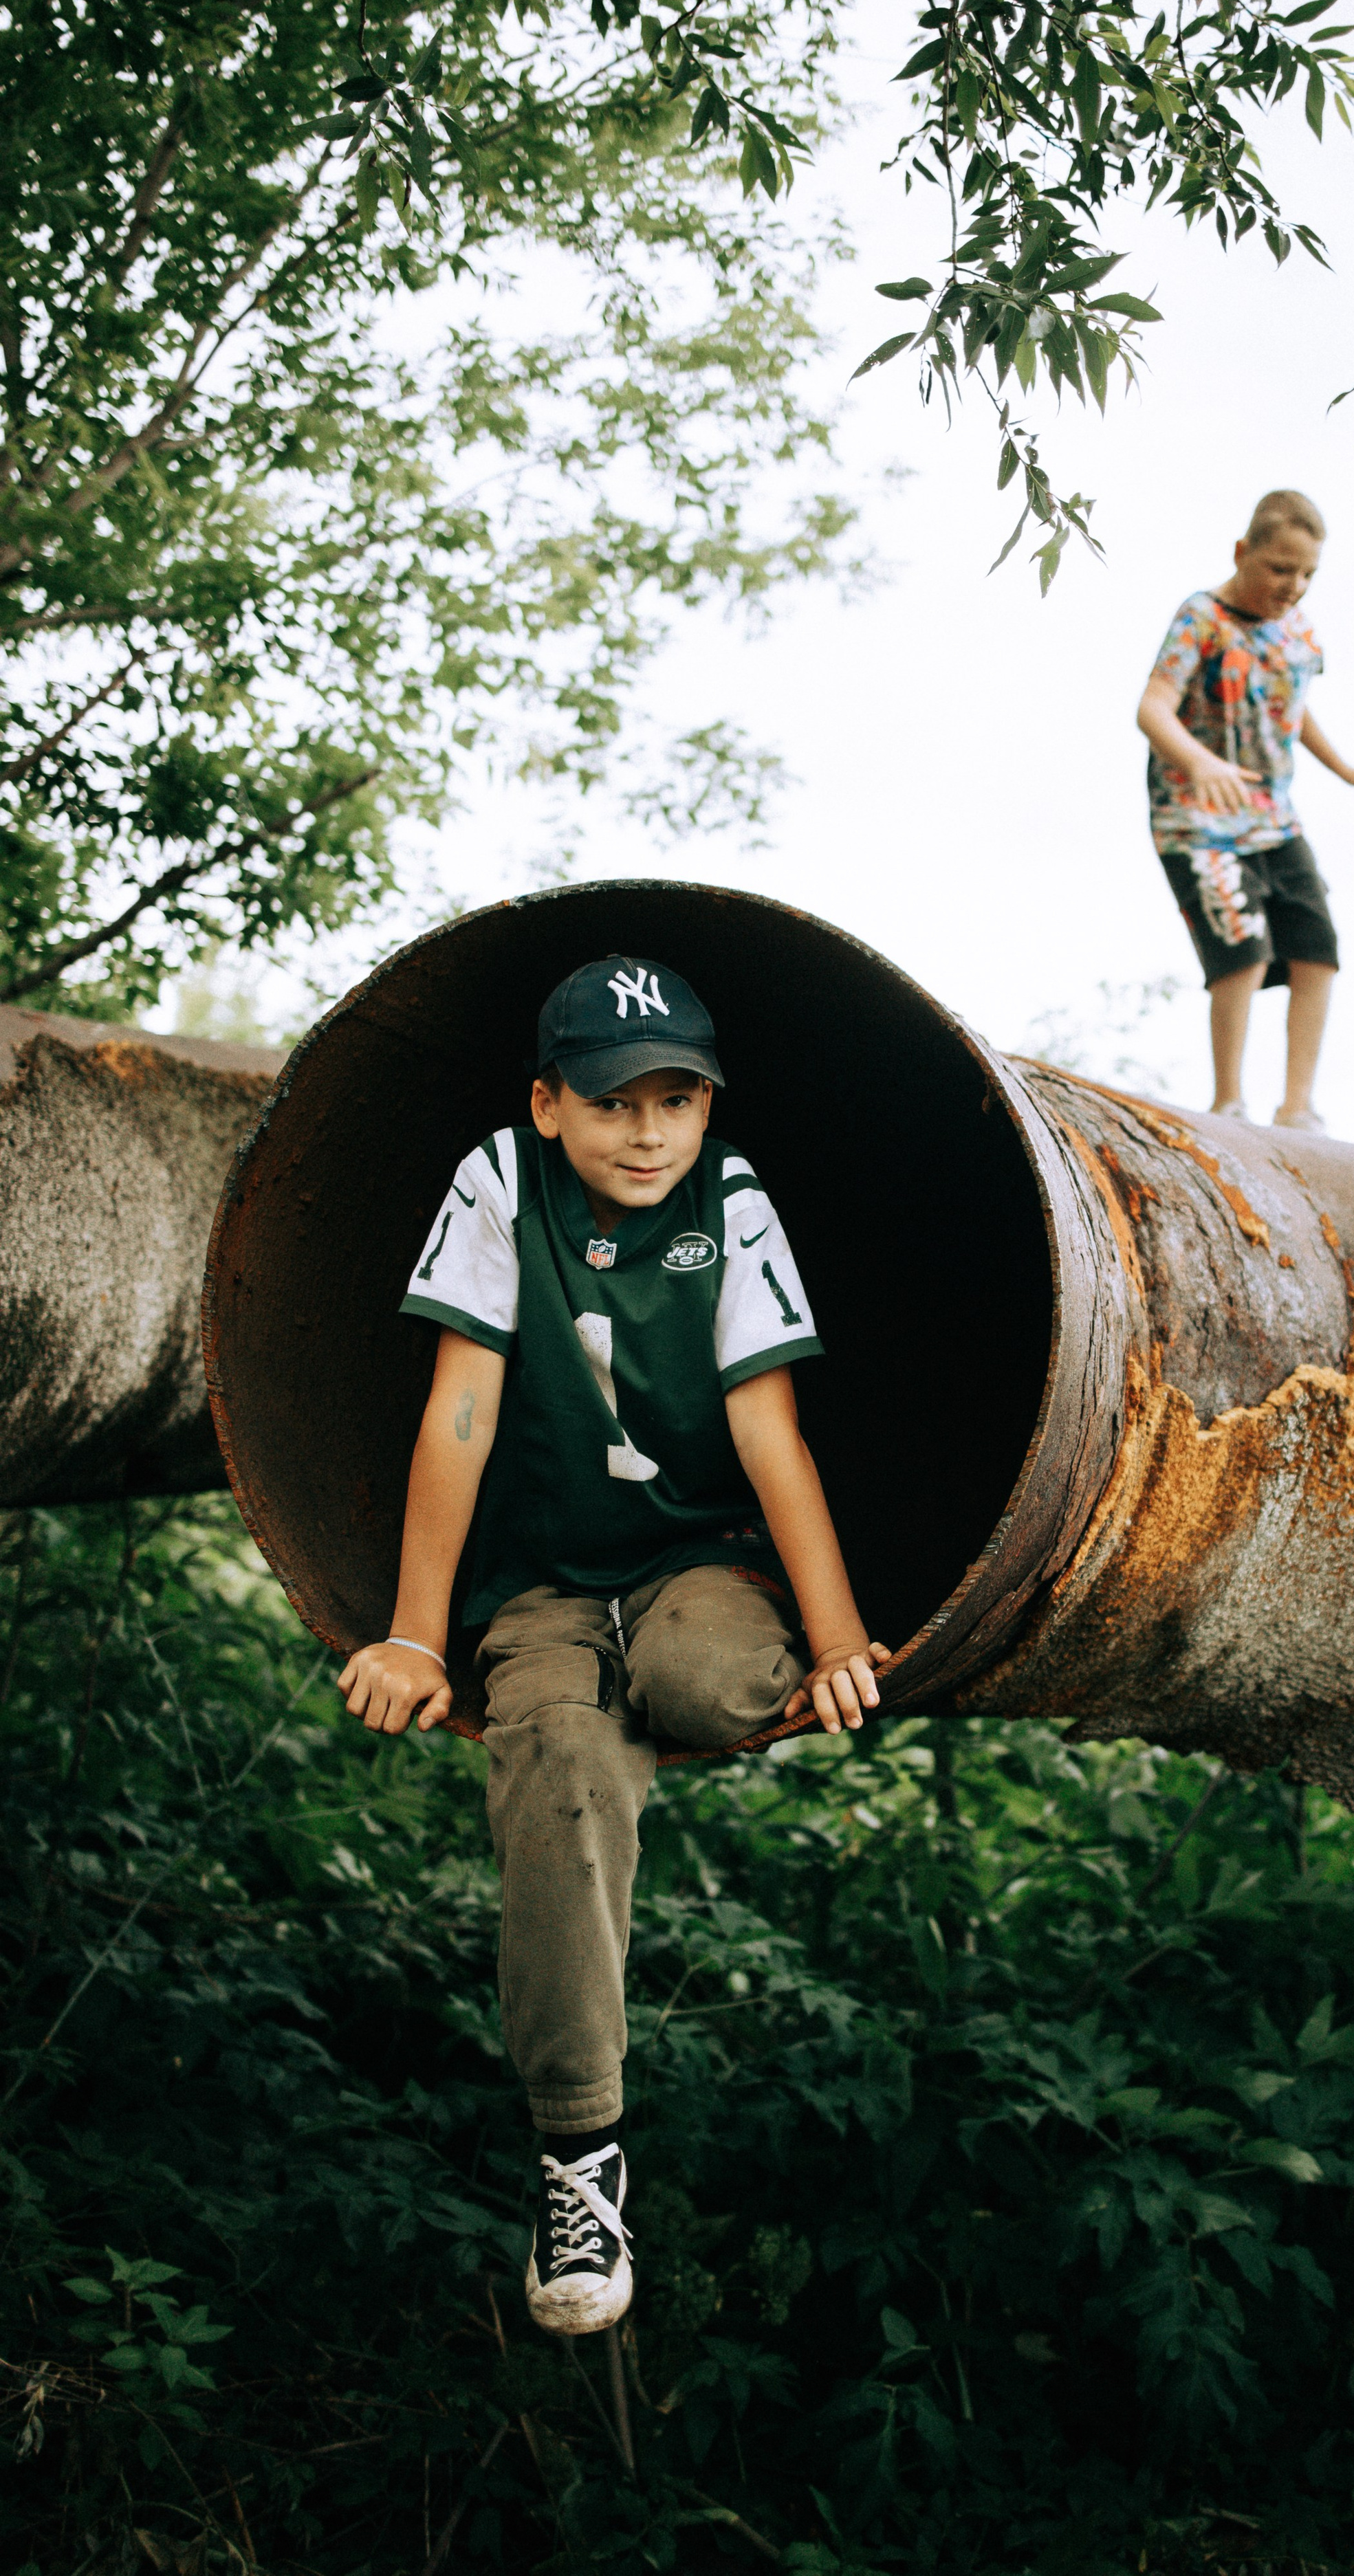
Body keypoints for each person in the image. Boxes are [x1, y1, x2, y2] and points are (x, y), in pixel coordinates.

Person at [334, 954, 888, 2337]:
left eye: (673, 1100)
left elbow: (768, 1428)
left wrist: (836, 1641)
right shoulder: (499, 1183)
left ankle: (664, 1657)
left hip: (696, 1562)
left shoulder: (730, 1196)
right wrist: (413, 1635)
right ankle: (579, 2153)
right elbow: (459, 1408)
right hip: (540, 1586)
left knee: (704, 1677)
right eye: (609, 1102)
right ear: (545, 1104)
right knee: (563, 1758)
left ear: (708, 1109)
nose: (644, 1132)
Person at [1135, 489, 1354, 1131]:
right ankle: (1229, 1101)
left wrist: (1341, 767)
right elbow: (1152, 707)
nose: (1294, 586)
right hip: (1197, 821)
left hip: (1273, 818)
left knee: (1317, 949)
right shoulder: (1201, 618)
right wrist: (1200, 761)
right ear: (1242, 552)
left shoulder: (1297, 632)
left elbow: (1292, 706)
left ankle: (1297, 1106)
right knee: (1243, 950)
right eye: (1280, 569)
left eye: (1307, 574)